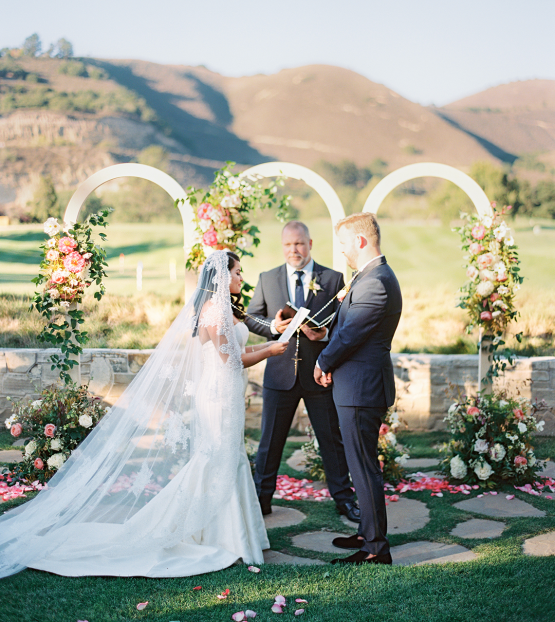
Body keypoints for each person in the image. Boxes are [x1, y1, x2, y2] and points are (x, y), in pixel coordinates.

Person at [0, 250, 288, 578]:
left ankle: (233, 533)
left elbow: (235, 351)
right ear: (222, 276)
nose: (240, 278)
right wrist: (270, 351)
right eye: (237, 272)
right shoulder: (213, 310)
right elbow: (229, 360)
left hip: (227, 393)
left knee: (228, 456)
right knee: (217, 457)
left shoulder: (224, 310)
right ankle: (220, 534)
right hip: (218, 395)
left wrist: (267, 345)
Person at [246, 221, 360, 523]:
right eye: (287, 245)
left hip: (318, 374)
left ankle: (344, 500)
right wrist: (273, 326)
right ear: (282, 246)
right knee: (269, 441)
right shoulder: (267, 278)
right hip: (279, 374)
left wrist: (322, 335)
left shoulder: (334, 279)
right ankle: (262, 499)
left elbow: (345, 324)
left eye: (298, 244)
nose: (293, 250)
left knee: (331, 441)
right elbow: (250, 318)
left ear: (310, 243)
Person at [314, 212, 402, 566]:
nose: (343, 251)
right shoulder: (368, 277)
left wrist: (323, 361)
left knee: (363, 467)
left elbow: (352, 335)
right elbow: (346, 325)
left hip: (362, 389)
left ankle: (375, 549)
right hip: (357, 387)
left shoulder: (376, 281)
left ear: (361, 241)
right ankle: (368, 532)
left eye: (345, 244)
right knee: (360, 464)